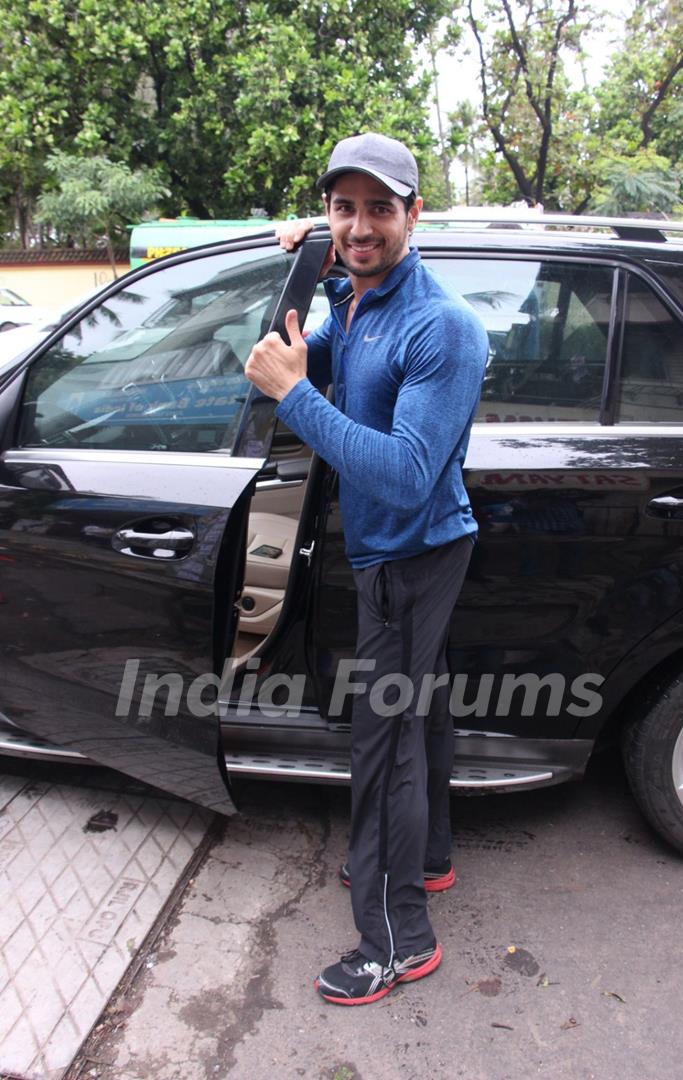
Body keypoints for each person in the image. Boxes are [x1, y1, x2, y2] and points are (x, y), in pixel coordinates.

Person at [245, 132, 488, 1005]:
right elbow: (297, 332)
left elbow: (403, 470)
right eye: (342, 208)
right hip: (399, 550)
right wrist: (308, 258)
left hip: (413, 554)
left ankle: (397, 939)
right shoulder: (353, 296)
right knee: (419, 717)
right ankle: (429, 857)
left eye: (378, 209)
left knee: (383, 748)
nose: (359, 226)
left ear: (414, 214)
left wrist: (297, 397)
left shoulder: (441, 326)